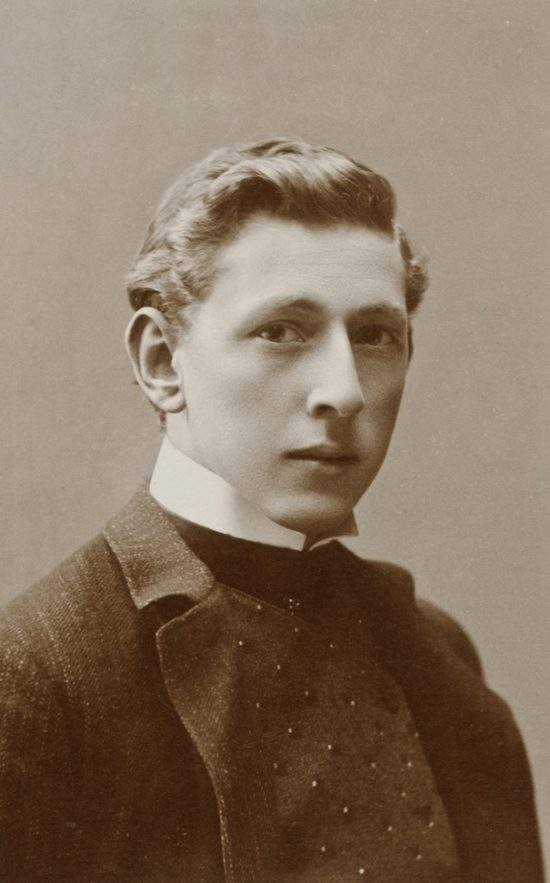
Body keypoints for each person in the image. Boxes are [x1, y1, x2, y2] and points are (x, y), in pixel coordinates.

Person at [0, 138, 544, 883]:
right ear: (161, 362)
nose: (344, 391)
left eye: (374, 335)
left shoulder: (434, 649)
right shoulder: (37, 680)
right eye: (281, 331)